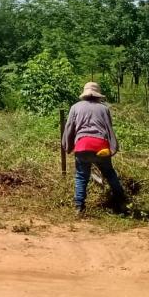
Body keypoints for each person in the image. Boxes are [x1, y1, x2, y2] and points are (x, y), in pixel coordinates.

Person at [62, 82, 127, 215]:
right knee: (109, 173)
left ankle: (79, 207)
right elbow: (109, 128)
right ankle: (122, 203)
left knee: (81, 176)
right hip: (100, 146)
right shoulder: (104, 108)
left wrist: (67, 146)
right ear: (98, 95)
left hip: (82, 145)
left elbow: (69, 128)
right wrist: (113, 147)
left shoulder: (75, 107)